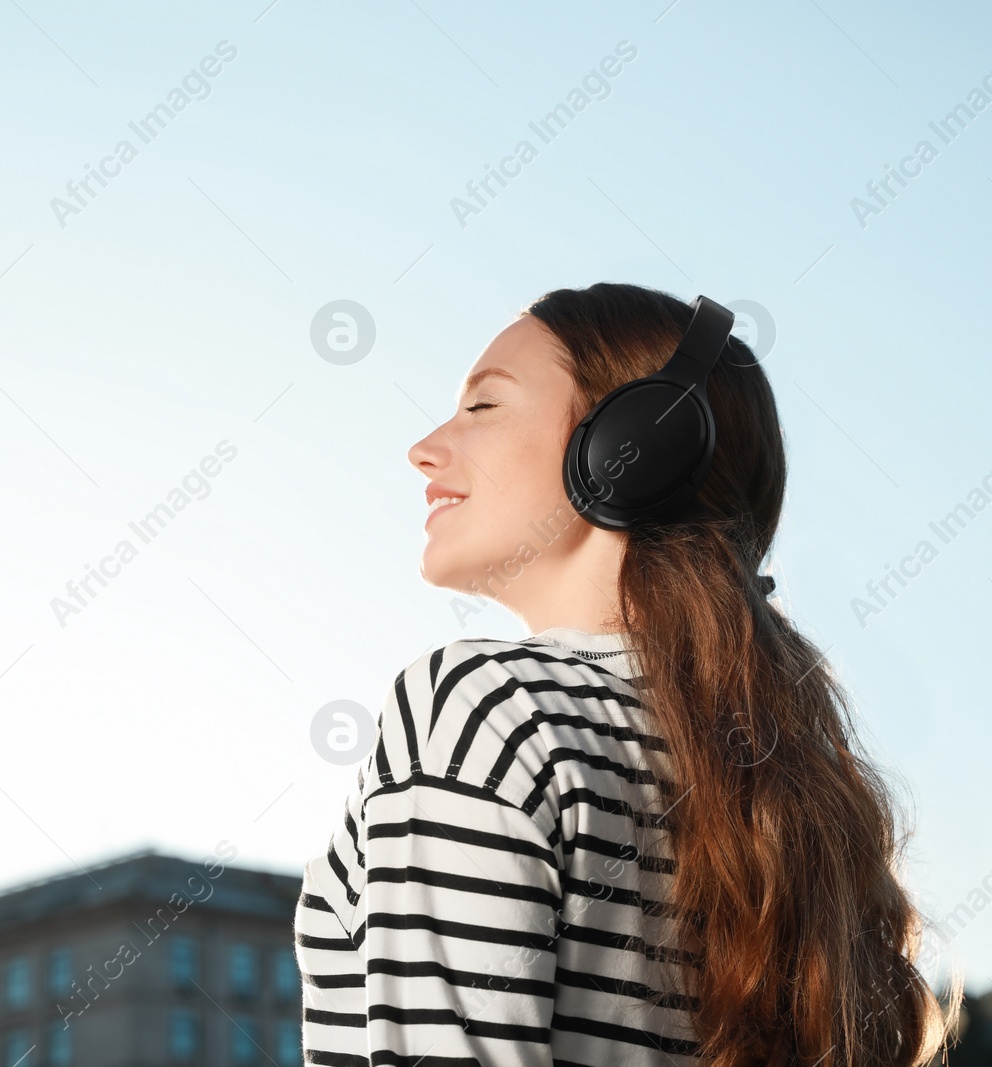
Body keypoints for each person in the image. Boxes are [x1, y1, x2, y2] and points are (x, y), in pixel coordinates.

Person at [295, 282, 958, 1066]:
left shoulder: (485, 710)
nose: (424, 448)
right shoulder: (783, 780)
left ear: (632, 444)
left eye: (483, 407)